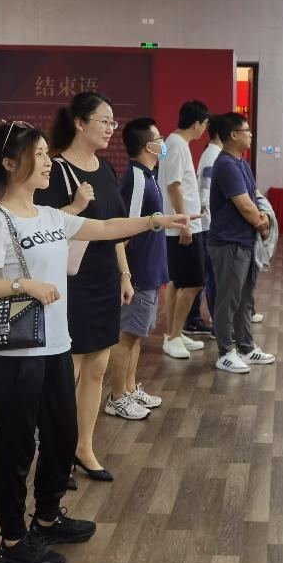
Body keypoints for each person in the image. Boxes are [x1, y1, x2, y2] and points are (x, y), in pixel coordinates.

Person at [0, 119, 189, 563]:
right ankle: (12, 541)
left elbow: (104, 227)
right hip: (16, 356)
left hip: (55, 347)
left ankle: (47, 517)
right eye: (38, 155)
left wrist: (153, 221)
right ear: (9, 163)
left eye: (46, 153)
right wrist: (22, 284)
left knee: (62, 437)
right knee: (15, 449)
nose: (47, 162)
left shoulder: (50, 216)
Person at [33, 92, 128, 483]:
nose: (110, 129)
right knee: (67, 370)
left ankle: (83, 447)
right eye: (104, 121)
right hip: (71, 282)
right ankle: (55, 451)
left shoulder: (105, 169)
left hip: (104, 277)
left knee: (98, 367)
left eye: (112, 122)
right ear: (79, 122)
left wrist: (125, 274)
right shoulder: (55, 170)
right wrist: (74, 206)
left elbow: (114, 227)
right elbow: (39, 226)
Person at [107, 118, 173, 420]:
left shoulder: (149, 175)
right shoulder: (135, 178)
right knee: (127, 335)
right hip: (138, 272)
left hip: (150, 269)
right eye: (159, 139)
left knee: (136, 335)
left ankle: (130, 388)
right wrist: (127, 275)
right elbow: (125, 229)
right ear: (149, 146)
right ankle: (117, 396)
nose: (163, 143)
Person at [207, 112, 275, 374]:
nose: (250, 134)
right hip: (229, 243)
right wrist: (262, 224)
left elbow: (254, 197)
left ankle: (246, 347)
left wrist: (262, 218)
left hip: (244, 242)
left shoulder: (241, 162)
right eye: (246, 130)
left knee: (245, 298)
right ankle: (225, 353)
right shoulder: (226, 164)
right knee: (228, 299)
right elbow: (245, 205)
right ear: (233, 135)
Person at [158, 100, 210, 360]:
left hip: (180, 224)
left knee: (178, 282)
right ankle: (174, 336)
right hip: (183, 225)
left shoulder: (172, 143)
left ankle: (173, 334)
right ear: (197, 123)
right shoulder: (177, 145)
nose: (205, 130)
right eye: (205, 124)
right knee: (194, 282)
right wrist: (184, 223)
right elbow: (173, 186)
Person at [187, 115, 226, 336]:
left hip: (208, 223)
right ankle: (214, 322)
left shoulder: (212, 154)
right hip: (209, 224)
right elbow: (206, 194)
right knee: (210, 276)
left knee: (207, 275)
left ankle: (201, 319)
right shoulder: (214, 156)